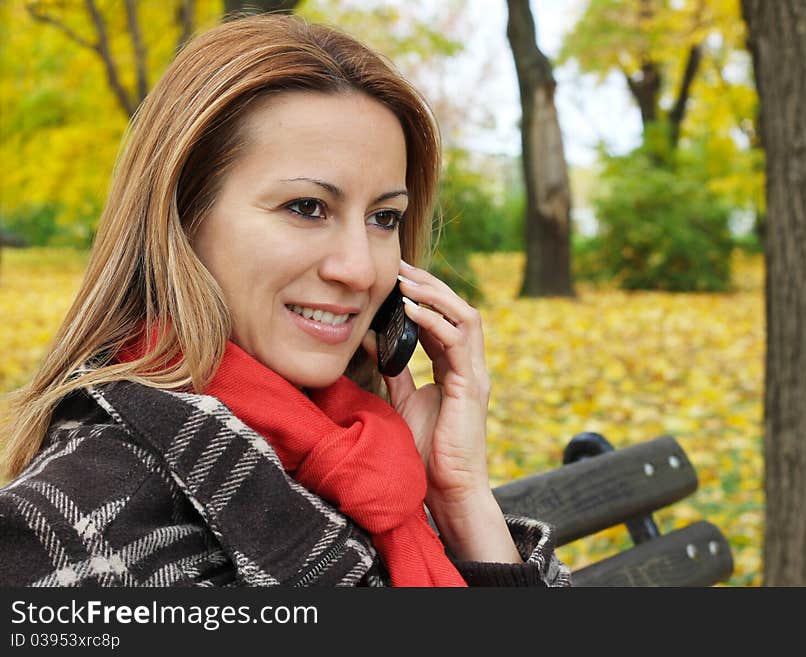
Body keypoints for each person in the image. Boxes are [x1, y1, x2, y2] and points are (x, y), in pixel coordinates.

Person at [0, 14, 569, 587]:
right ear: (181, 218)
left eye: (383, 218)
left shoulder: (370, 451)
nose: (359, 269)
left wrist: (462, 497)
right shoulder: (85, 516)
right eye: (306, 207)